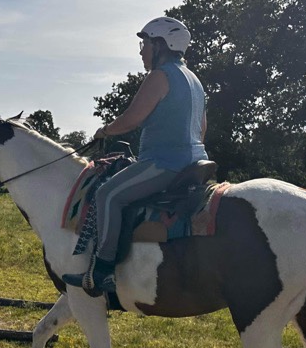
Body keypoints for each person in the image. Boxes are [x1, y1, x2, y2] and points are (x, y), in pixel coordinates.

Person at [63, 16, 208, 293]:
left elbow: (131, 119)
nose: (142, 52)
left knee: (107, 195)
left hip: (165, 163)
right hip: (195, 162)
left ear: (160, 45)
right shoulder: (195, 81)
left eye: (145, 44)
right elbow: (202, 128)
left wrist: (104, 131)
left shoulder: (160, 76)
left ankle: (102, 271)